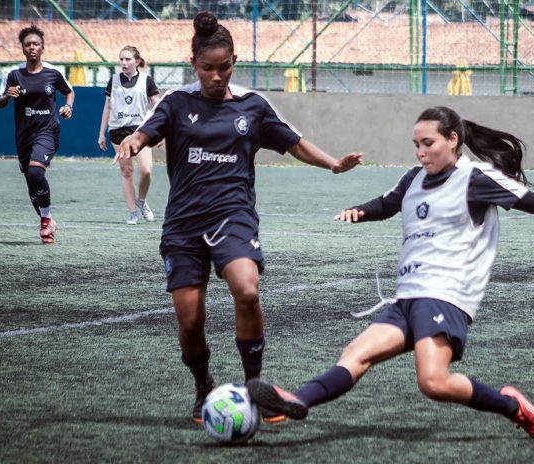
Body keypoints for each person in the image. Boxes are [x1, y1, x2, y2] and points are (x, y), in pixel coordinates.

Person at [246, 106, 534, 439]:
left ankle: (510, 405)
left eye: (427, 143)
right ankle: (295, 400)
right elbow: (388, 203)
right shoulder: (413, 178)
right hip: (407, 295)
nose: (420, 152)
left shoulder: (476, 179)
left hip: (447, 294)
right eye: (415, 145)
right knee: (356, 355)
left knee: (433, 382)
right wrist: (360, 211)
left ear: (452, 140)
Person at [114, 11, 363, 425]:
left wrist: (334, 165)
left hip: (234, 215)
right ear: (193, 64)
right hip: (184, 224)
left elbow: (293, 143)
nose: (216, 76)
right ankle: (202, 385)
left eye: (224, 67)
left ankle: (256, 389)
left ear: (235, 61)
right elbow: (146, 132)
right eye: (207, 68)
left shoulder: (253, 105)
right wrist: (133, 141)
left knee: (247, 290)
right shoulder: (177, 102)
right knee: (190, 321)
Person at [0, 24, 74, 244]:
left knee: (35, 173)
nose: (32, 47)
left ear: (42, 48)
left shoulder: (53, 72)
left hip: (48, 131)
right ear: (22, 48)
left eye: (36, 44)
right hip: (23, 134)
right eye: (28, 44)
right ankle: (47, 220)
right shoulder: (12, 74)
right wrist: (7, 97)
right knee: (32, 188)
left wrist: (68, 108)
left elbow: (69, 92)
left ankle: (45, 222)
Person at [98, 46, 160, 225]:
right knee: (127, 172)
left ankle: (141, 200)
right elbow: (107, 107)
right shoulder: (114, 80)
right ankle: (133, 212)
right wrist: (101, 133)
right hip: (118, 131)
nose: (124, 63)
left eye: (128, 59)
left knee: (146, 171)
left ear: (137, 61)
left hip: (140, 132)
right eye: (121, 59)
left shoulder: (146, 81)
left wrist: (160, 132)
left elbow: (157, 108)